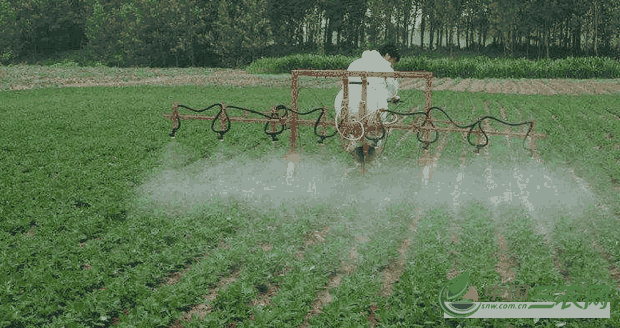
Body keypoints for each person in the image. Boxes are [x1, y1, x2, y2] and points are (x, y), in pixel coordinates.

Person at [333, 43, 401, 166]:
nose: (391, 64)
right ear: (387, 55)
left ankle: (353, 147)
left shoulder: (356, 62)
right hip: (371, 106)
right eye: (392, 61)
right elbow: (392, 87)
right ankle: (372, 151)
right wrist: (394, 97)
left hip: (343, 104)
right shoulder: (385, 65)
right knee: (377, 126)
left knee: (352, 125)